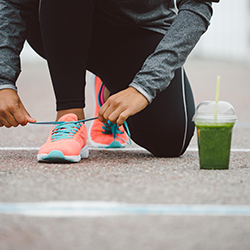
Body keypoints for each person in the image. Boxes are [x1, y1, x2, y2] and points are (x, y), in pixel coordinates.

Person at [0, 0, 220, 162]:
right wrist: (3, 81)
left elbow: (198, 4)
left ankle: (110, 85)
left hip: (140, 29)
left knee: (170, 140)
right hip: (61, 21)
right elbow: (12, 3)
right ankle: (69, 118)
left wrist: (143, 87)